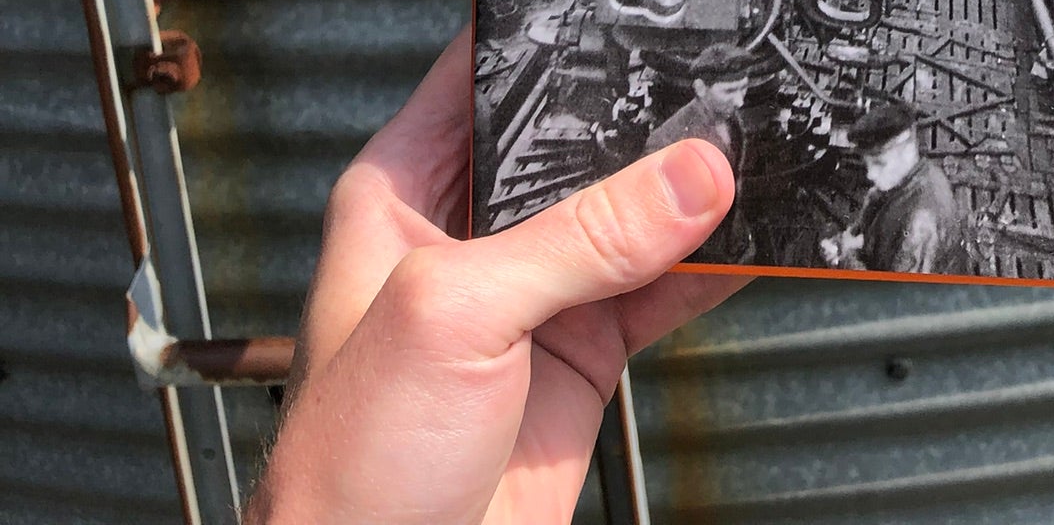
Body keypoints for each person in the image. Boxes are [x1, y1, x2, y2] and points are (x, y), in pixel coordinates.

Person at [246, 30, 742, 525]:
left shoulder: (730, 121)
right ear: (701, 87)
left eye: (742, 86)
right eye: (730, 86)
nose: (740, 94)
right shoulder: (674, 134)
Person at [820, 95, 970, 276]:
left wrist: (844, 258)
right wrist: (847, 241)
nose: (870, 174)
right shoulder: (912, 175)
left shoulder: (921, 222)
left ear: (907, 153)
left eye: (880, 164)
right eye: (868, 163)